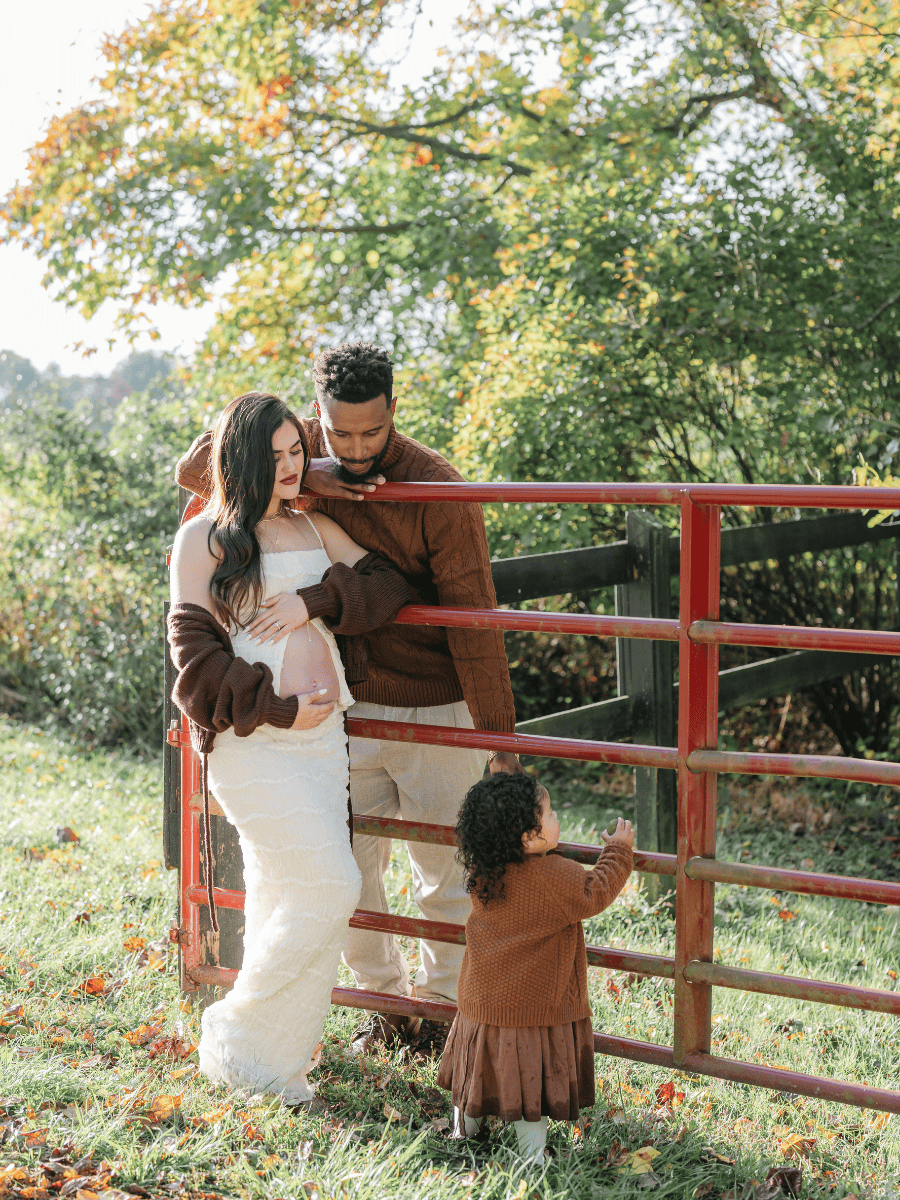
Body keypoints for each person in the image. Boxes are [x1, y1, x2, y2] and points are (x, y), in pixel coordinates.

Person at [176, 343, 520, 1058]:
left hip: (433, 705)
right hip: (345, 716)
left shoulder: (436, 488)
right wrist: (307, 462)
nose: (357, 449)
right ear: (316, 418)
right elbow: (196, 471)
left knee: (445, 872)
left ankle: (442, 1014)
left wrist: (500, 738)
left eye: (372, 433)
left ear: (394, 410)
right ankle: (384, 1006)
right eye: (340, 435)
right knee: (350, 870)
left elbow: (475, 621)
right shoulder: (302, 461)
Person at [167, 391, 414, 1103]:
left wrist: (316, 601)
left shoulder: (313, 526)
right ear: (238, 459)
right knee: (331, 885)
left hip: (322, 744)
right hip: (255, 747)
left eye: (296, 452)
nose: (289, 466)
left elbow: (388, 582)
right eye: (272, 455)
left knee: (281, 895)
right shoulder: (206, 539)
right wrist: (276, 708)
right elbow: (194, 663)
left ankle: (275, 1068)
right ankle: (238, 1034)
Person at [436, 773, 634, 1164]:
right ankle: (531, 1156)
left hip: (481, 1004)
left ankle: (464, 1130)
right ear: (529, 836)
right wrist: (618, 852)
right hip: (532, 1009)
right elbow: (597, 891)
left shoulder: (485, 872)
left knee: (476, 1074)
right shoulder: (555, 877)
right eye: (551, 811)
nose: (558, 817)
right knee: (531, 1087)